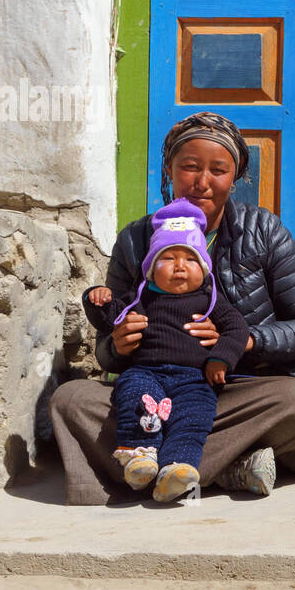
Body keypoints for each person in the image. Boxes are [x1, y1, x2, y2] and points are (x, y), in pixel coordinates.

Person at [50, 112, 295, 505]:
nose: (202, 182)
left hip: (242, 391)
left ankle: (158, 469)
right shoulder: (136, 239)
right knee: (72, 400)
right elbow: (106, 350)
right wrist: (117, 344)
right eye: (189, 167)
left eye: (218, 170)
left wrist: (247, 341)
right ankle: (226, 467)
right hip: (158, 388)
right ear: (169, 169)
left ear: (234, 178)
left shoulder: (263, 231)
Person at [83, 198, 251, 502]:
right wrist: (99, 299)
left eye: (189, 260)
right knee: (135, 399)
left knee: (194, 419)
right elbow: (111, 319)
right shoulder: (142, 296)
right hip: (146, 372)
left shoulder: (210, 299)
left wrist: (219, 359)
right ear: (150, 269)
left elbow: (237, 329)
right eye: (168, 259)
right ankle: (139, 459)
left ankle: (176, 470)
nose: (179, 267)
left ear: (203, 268)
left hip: (195, 380)